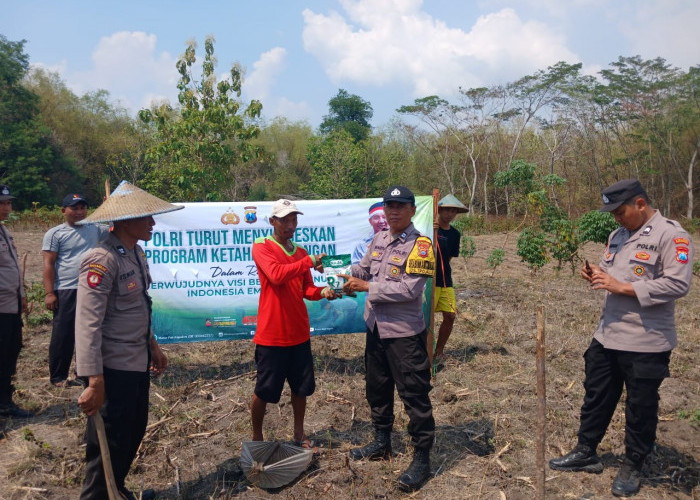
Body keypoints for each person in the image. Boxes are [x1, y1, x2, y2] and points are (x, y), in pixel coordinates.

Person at [549, 179, 694, 498]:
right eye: (612, 213)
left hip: (646, 340)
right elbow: (610, 272)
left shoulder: (672, 235)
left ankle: (633, 463)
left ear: (640, 204)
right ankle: (586, 450)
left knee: (641, 406)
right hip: (608, 333)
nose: (616, 217)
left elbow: (678, 284)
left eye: (620, 211)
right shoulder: (617, 236)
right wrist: (596, 275)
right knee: (596, 396)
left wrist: (624, 287)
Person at [75, 181, 179, 500]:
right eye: (146, 217)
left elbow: (139, 306)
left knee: (133, 431)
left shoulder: (135, 252)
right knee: (108, 442)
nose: (152, 223)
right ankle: (98, 494)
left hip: (136, 363)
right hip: (111, 369)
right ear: (126, 220)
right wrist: (94, 381)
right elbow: (87, 324)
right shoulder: (100, 259)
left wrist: (154, 347)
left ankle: (115, 488)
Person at [339, 185, 436, 492]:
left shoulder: (422, 246)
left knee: (414, 394)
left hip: (404, 334)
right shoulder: (379, 239)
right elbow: (365, 269)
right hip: (376, 329)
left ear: (411, 210)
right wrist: (344, 274)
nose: (393, 211)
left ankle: (422, 458)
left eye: (400, 206)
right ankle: (381, 442)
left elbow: (410, 290)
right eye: (389, 206)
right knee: (377, 389)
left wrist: (367, 288)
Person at [250, 199, 336, 448]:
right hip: (272, 334)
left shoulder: (299, 252)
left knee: (301, 388)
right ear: (272, 222)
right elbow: (276, 276)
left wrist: (325, 291)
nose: (290, 225)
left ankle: (299, 433)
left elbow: (306, 288)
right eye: (285, 220)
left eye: (294, 220)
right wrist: (308, 261)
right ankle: (257, 436)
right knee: (264, 390)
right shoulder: (261, 246)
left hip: (299, 332)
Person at [43, 193, 109, 387]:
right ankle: (58, 377)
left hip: (90, 287)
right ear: (64, 211)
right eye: (75, 208)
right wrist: (49, 293)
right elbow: (48, 263)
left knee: (88, 332)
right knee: (63, 333)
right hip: (66, 288)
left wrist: (109, 208)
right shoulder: (55, 234)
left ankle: (84, 373)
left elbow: (118, 228)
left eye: (83, 208)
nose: (80, 212)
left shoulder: (96, 228)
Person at [0, 184, 33, 418]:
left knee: (10, 353)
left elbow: (11, 267)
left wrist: (21, 295)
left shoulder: (5, 231)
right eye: (2, 203)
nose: (6, 207)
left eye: (8, 203)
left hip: (10, 306)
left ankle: (4, 401)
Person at [433, 194, 468, 364]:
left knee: (450, 315)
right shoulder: (429, 228)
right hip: (428, 281)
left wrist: (442, 271)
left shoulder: (455, 234)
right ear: (439, 210)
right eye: (446, 209)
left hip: (445, 280)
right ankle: (422, 350)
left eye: (453, 211)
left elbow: (449, 259)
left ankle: (439, 351)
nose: (450, 213)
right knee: (425, 318)